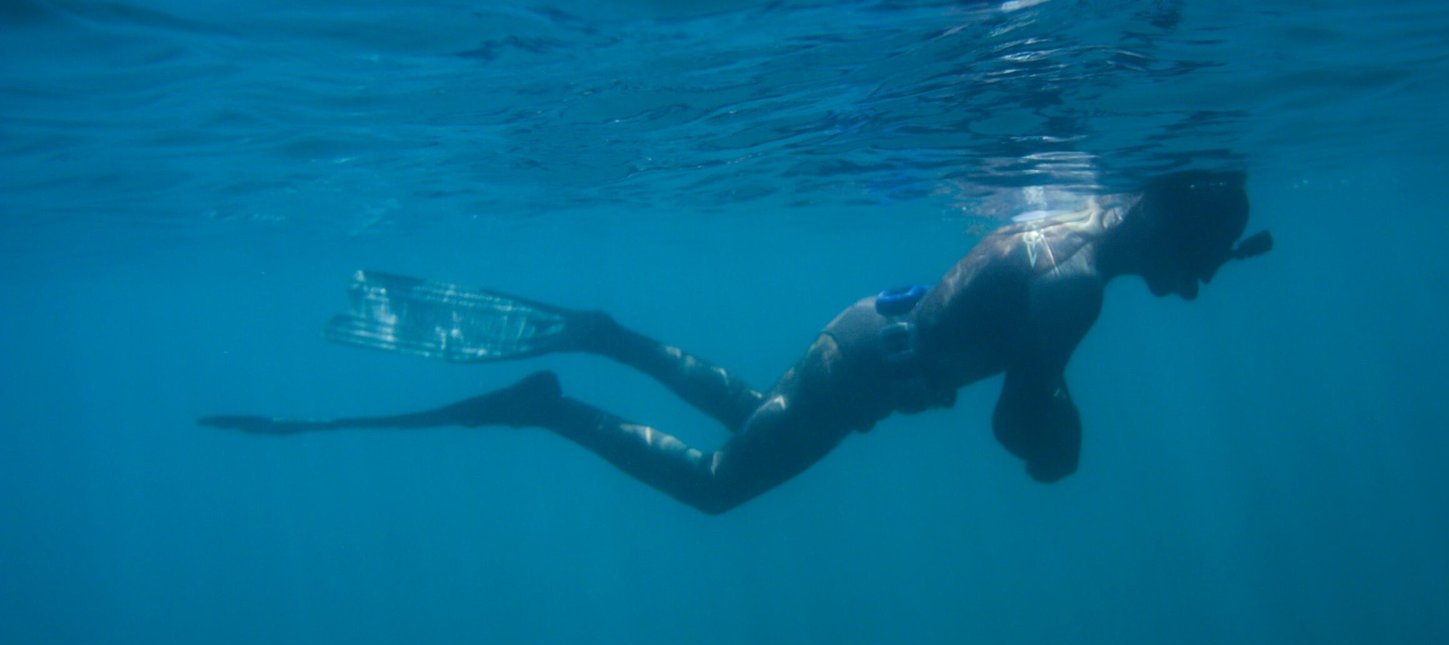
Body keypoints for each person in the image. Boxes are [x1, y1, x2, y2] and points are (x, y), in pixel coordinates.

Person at [201, 170, 1272, 515]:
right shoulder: (1080, 288)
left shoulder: (1073, 211)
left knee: (752, 416)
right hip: (865, 371)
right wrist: (1061, 447)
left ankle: (613, 339)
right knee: (719, 487)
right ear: (1173, 231)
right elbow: (1016, 424)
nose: (1188, 294)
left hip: (865, 333)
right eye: (1201, 267)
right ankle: (550, 405)